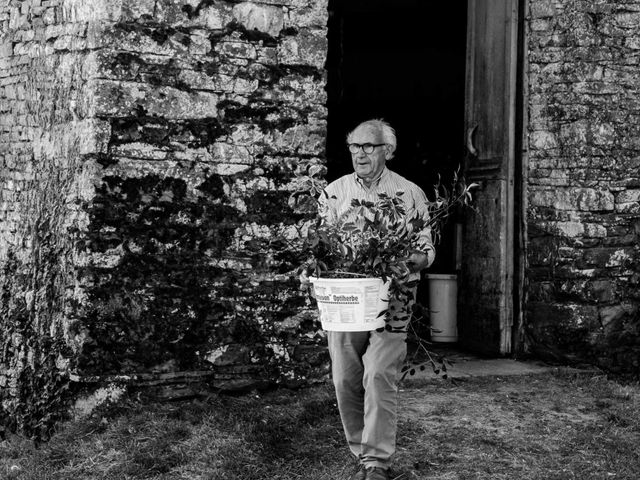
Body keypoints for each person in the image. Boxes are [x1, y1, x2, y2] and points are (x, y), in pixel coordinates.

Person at [308, 119, 435, 480]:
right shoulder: (334, 193)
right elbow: (319, 247)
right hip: (348, 298)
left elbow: (427, 249)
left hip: (395, 295)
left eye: (368, 147)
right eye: (354, 147)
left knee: (379, 372)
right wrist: (313, 269)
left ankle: (376, 462)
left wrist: (407, 260)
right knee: (345, 377)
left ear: (387, 151)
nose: (359, 154)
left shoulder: (410, 193)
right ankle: (362, 450)